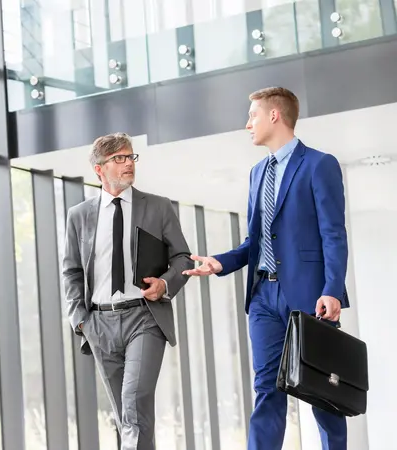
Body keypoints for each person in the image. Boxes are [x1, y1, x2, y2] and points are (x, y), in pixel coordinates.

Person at [183, 87, 349, 450]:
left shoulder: (320, 164)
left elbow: (333, 234)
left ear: (275, 115)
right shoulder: (258, 172)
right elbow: (253, 241)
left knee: (322, 391)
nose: (248, 125)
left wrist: (333, 289)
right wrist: (220, 263)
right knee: (266, 387)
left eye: (252, 115)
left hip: (310, 294)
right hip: (262, 296)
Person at [62, 132, 193, 450]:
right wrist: (81, 320)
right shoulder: (79, 216)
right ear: (99, 168)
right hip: (99, 325)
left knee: (134, 403)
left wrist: (164, 284)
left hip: (144, 317)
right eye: (118, 158)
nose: (127, 164)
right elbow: (72, 271)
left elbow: (182, 257)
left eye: (130, 156)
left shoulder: (158, 207)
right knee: (129, 418)